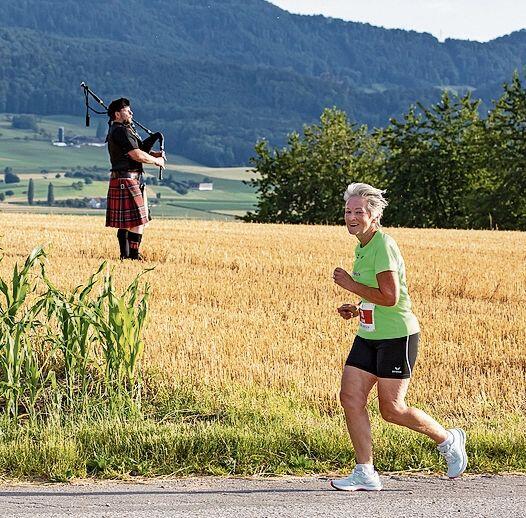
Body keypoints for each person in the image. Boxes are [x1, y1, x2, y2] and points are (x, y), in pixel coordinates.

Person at [330, 182, 467, 491]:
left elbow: (391, 297)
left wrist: (351, 285)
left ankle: (448, 439)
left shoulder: (383, 245)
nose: (352, 217)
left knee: (391, 409)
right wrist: (357, 307)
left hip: (397, 337)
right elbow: (376, 295)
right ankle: (365, 471)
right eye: (348, 211)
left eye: (359, 212)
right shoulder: (362, 246)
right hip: (369, 334)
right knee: (350, 397)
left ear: (374, 215)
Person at [105, 97, 165, 260]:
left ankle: (126, 256)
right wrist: (156, 161)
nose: (131, 112)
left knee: (128, 222)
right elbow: (135, 154)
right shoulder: (121, 130)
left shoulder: (123, 130)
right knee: (137, 221)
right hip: (126, 179)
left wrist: (152, 150)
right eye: (127, 110)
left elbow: (138, 149)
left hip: (126, 179)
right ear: (117, 114)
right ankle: (133, 255)